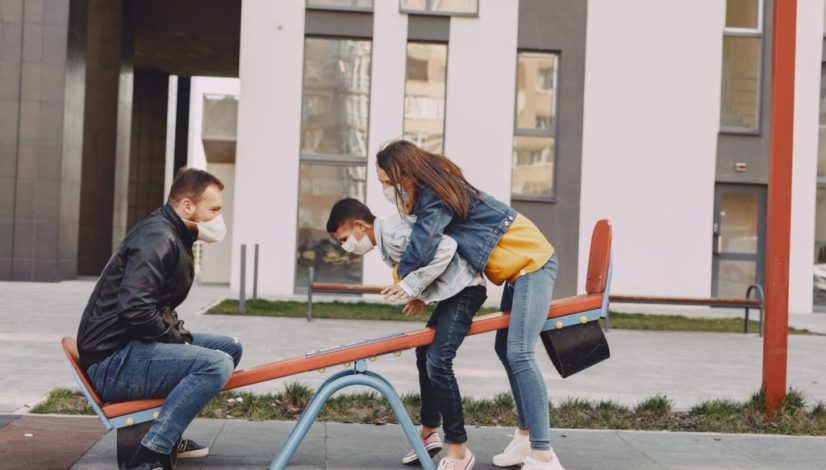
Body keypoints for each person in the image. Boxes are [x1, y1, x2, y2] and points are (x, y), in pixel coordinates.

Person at [376, 140, 564, 470]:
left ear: (404, 174)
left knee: (519, 351)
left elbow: (425, 244)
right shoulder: (435, 189)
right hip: (517, 271)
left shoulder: (434, 194)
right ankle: (525, 436)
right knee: (504, 347)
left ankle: (543, 453)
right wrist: (419, 290)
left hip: (534, 261)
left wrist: (403, 279)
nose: (386, 190)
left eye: (387, 183)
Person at [76, 168, 243, 470]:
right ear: (188, 207)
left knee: (230, 349)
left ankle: (169, 431)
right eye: (214, 208)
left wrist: (180, 338)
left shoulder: (173, 233)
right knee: (216, 363)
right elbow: (135, 310)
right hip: (113, 361)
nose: (219, 217)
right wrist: (180, 340)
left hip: (132, 346)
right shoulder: (158, 237)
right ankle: (152, 450)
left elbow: (158, 306)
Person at [327, 197, 486, 470]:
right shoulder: (386, 239)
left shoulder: (393, 234)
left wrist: (412, 285)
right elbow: (429, 257)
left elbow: (447, 247)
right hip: (452, 291)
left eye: (344, 239)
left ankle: (459, 450)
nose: (346, 247)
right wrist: (423, 296)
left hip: (466, 289)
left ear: (359, 226)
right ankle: (427, 432)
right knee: (425, 352)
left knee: (439, 360)